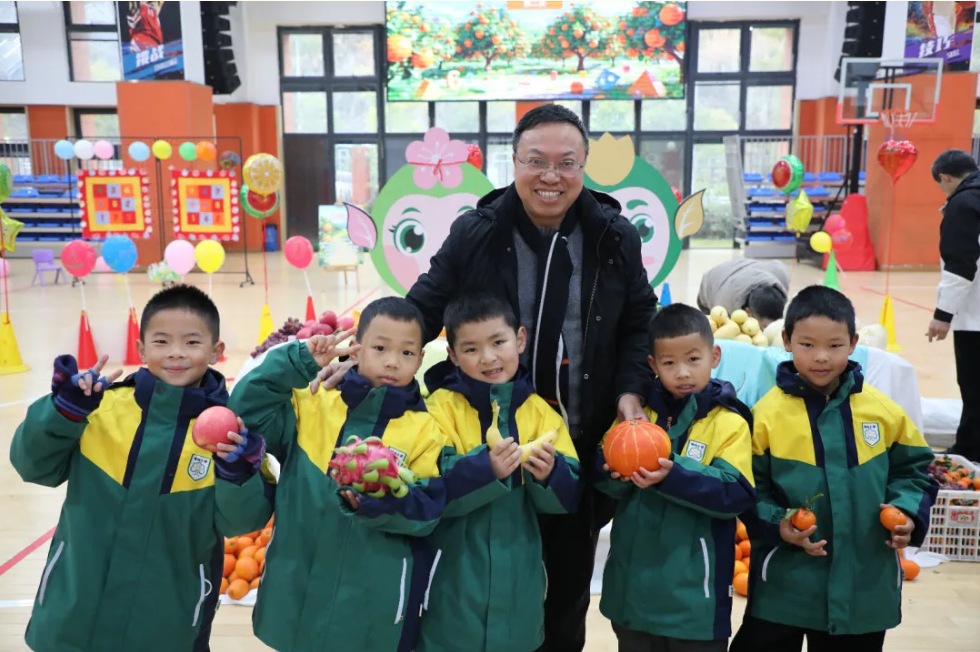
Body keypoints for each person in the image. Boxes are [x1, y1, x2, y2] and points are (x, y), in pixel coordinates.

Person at [313, 103, 659, 651]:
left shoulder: (613, 237)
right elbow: (425, 304)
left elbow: (641, 320)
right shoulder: (477, 232)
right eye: (536, 160)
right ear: (513, 162)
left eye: (566, 162)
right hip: (485, 442)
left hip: (574, 437)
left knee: (566, 590)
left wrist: (631, 391)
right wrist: (372, 352)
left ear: (584, 164)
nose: (550, 175)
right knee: (479, 579)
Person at [219, 297, 496, 652]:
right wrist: (295, 362)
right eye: (380, 348)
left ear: (420, 359)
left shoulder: (427, 432)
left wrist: (381, 503)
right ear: (356, 348)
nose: (392, 361)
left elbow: (426, 514)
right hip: (297, 595)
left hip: (374, 609)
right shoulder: (313, 402)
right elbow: (247, 414)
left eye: (407, 352)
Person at [9, 284, 253, 652]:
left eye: (191, 342)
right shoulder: (101, 409)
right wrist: (62, 413)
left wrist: (238, 472)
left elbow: (239, 522)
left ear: (216, 351)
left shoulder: (229, 436)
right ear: (140, 349)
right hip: (73, 615)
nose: (175, 353)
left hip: (164, 625)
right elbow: (32, 465)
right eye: (161, 341)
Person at [731, 286, 938, 652]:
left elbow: (915, 470)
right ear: (787, 340)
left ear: (853, 343)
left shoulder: (883, 412)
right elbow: (749, 490)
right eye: (807, 344)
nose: (821, 357)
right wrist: (779, 523)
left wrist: (906, 512)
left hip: (864, 586)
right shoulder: (766, 416)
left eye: (835, 345)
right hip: (784, 584)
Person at [414, 293, 580, 652]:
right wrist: (484, 469)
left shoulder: (542, 414)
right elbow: (427, 489)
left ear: (519, 339)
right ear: (453, 355)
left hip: (520, 588)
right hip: (451, 592)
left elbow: (568, 499)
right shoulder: (436, 410)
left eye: (498, 342)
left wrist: (550, 475)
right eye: (471, 349)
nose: (488, 358)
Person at [595, 303, 756, 652]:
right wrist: (613, 473)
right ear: (653, 366)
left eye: (693, 360)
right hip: (632, 597)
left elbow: (737, 493)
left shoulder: (728, 423)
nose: (683, 373)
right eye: (669, 363)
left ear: (714, 356)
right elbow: (602, 474)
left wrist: (674, 475)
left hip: (694, 604)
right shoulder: (637, 416)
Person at [927, 149, 980, 462]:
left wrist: (943, 315)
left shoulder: (962, 205)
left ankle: (970, 450)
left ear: (945, 177)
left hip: (976, 318)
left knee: (973, 385)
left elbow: (960, 266)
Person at [696, 258, 790, 329]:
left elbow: (778, 264)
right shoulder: (724, 305)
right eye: (765, 327)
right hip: (715, 279)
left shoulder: (781, 276)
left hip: (748, 267)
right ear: (748, 311)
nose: (769, 330)